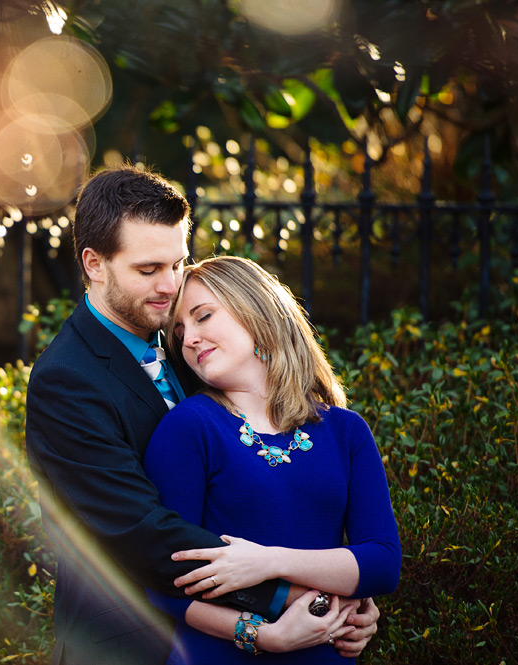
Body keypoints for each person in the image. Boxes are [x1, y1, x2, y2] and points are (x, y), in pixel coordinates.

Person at [25, 165, 381, 665]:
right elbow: (144, 534)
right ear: (94, 264)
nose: (171, 286)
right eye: (149, 270)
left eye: (178, 263)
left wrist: (347, 601)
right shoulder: (65, 380)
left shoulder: (194, 347)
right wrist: (304, 599)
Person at [142, 255, 402, 663]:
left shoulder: (346, 432)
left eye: (203, 316)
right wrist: (264, 635)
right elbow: (163, 580)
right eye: (179, 331)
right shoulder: (189, 428)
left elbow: (383, 563)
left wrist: (266, 562)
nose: (189, 338)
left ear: (257, 310)